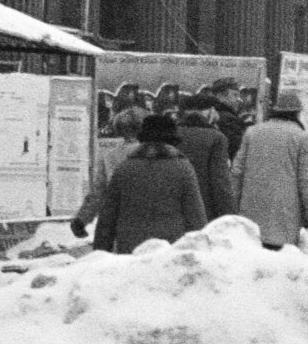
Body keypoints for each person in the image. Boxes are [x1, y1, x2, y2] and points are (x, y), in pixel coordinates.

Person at [92, 112, 208, 255]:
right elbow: (195, 214)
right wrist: (202, 251)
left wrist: (100, 252)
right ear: (173, 141)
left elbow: (108, 215)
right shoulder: (183, 168)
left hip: (130, 248)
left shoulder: (125, 168)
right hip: (171, 248)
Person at [234, 87, 308, 250]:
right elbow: (307, 180)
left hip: (250, 214)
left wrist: (233, 207)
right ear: (297, 113)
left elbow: (237, 172)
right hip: (284, 217)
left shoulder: (252, 132)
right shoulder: (301, 137)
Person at [71, 106, 144, 234]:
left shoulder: (110, 157)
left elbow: (98, 193)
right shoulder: (157, 153)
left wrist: (81, 220)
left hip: (120, 222)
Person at [176, 94, 236, 219]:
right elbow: (220, 182)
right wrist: (230, 215)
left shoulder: (171, 134)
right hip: (203, 210)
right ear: (210, 111)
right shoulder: (216, 138)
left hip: (175, 209)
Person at [206, 78, 250, 158]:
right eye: (235, 95)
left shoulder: (208, 113)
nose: (239, 100)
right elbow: (236, 149)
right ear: (220, 96)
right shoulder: (228, 119)